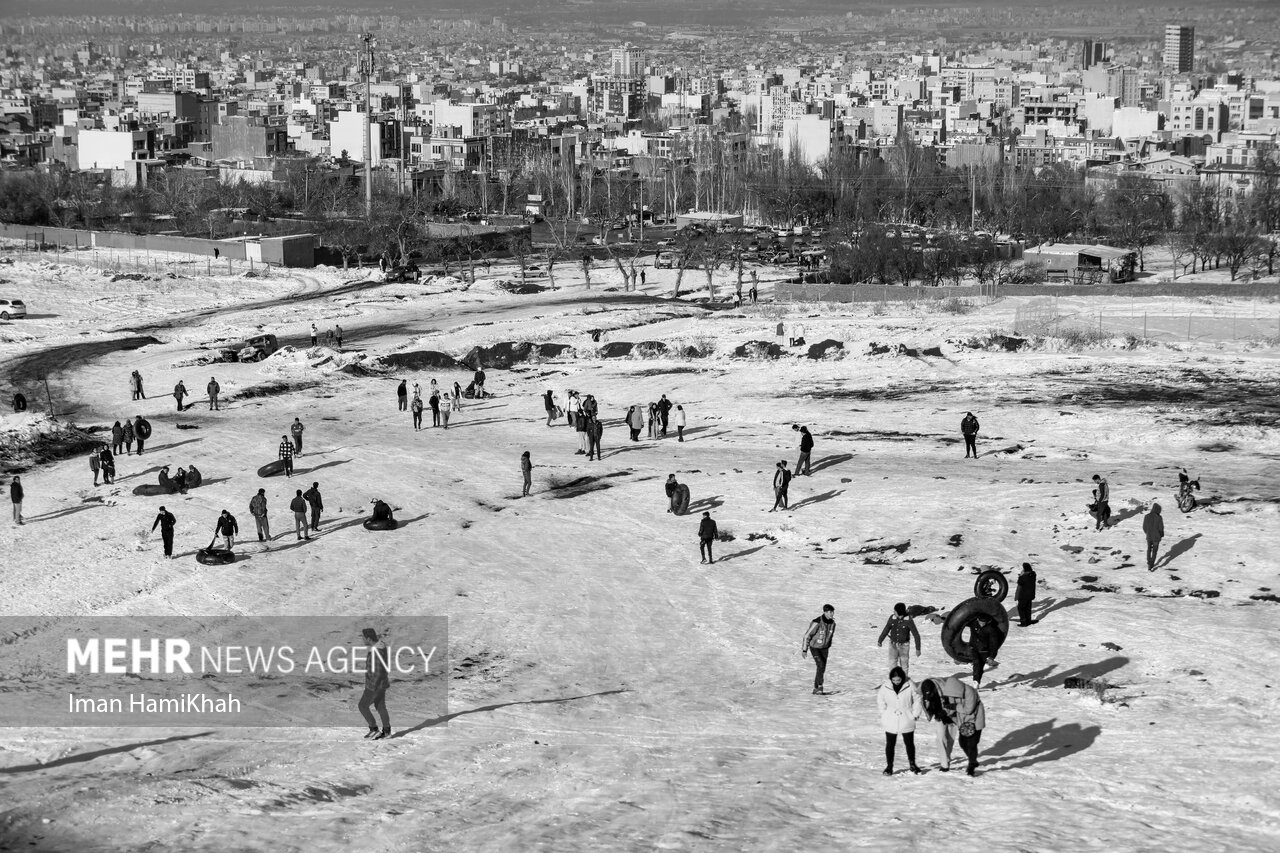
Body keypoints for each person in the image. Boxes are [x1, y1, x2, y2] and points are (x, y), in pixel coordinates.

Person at [920, 676, 985, 775]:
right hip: (950, 718)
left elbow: (967, 709)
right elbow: (926, 706)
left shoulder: (963, 691)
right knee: (944, 739)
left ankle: (970, 762)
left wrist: (950, 710)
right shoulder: (928, 694)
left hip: (963, 719)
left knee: (965, 742)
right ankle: (945, 763)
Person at [878, 666, 923, 775]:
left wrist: (915, 714)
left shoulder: (910, 685)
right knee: (890, 743)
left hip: (906, 716)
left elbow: (918, 699)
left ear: (902, 678)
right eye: (894, 680)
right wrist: (884, 713)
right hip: (891, 717)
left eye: (898, 680)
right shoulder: (885, 686)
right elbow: (880, 700)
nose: (896, 682)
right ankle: (889, 766)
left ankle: (912, 764)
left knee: (909, 742)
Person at [358, 627, 391, 740]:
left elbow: (377, 672)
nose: (362, 639)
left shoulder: (376, 652)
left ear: (368, 638)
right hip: (382, 684)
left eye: (363, 637)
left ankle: (374, 729)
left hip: (375, 685)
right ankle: (386, 731)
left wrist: (371, 688)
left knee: (362, 706)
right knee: (381, 706)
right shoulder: (381, 647)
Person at [877, 603, 922, 674]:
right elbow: (886, 629)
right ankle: (894, 681)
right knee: (892, 664)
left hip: (904, 646)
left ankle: (904, 681)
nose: (893, 612)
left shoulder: (908, 620)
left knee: (904, 665)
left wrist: (918, 649)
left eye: (895, 611)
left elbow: (916, 635)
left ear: (899, 612)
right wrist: (880, 640)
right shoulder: (892, 618)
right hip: (893, 645)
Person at [801, 604, 836, 695]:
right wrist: (805, 649)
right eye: (830, 612)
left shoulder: (833, 624)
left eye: (833, 612)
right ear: (825, 612)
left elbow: (830, 636)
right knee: (820, 665)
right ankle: (819, 687)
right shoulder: (817, 622)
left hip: (824, 649)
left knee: (822, 668)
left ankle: (816, 688)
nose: (832, 614)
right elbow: (807, 635)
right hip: (815, 648)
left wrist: (828, 645)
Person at [969, 615, 1003, 684]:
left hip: (984, 650)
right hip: (974, 648)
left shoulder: (991, 629)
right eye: (981, 621)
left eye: (984, 622)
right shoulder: (974, 624)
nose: (982, 623)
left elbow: (994, 644)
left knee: (980, 667)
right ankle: (975, 681)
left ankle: (977, 680)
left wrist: (992, 656)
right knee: (976, 663)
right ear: (978, 620)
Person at [1143, 503, 1164, 570]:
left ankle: (1149, 562)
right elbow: (1161, 528)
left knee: (1149, 549)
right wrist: (1161, 534)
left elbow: (1144, 527)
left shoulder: (1146, 516)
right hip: (1156, 537)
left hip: (1149, 536)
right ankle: (1151, 564)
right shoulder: (1159, 517)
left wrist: (1147, 533)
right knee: (1154, 551)